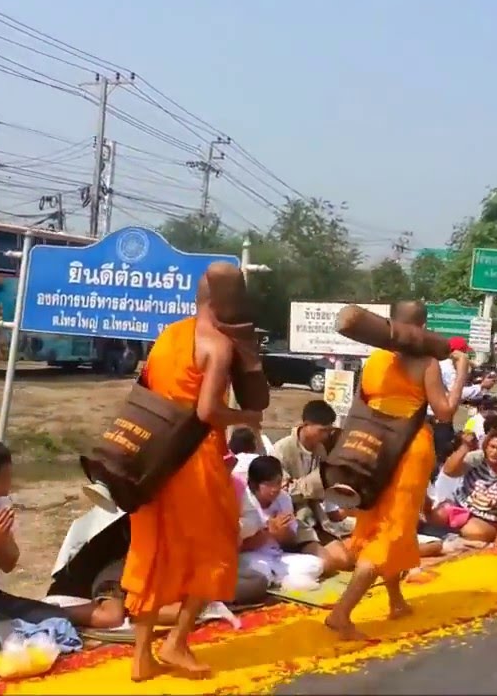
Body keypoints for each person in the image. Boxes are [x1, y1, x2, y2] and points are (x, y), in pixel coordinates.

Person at [121, 266, 264, 681]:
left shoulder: (169, 335)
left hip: (153, 456)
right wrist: (247, 417)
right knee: (216, 550)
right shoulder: (217, 344)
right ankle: (177, 641)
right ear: (227, 304)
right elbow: (207, 412)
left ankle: (142, 656)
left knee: (152, 552)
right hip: (194, 460)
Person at [325, 301, 470, 641]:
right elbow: (445, 412)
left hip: (371, 446)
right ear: (423, 328)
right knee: (392, 527)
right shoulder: (426, 362)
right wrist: (462, 370)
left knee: (379, 520)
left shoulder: (375, 359)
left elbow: (360, 404)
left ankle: (395, 600)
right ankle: (341, 613)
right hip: (408, 449)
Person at [0, 440, 120, 671]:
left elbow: (8, 564)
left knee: (57, 621)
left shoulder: (0, 505)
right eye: (7, 473)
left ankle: (19, 634)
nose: (12, 479)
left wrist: (1, 541)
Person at [269, 399, 353, 572]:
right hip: (294, 521)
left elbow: (327, 486)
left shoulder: (320, 450)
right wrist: (316, 482)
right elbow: (279, 492)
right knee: (328, 564)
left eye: (329, 431)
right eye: (322, 430)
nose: (326, 435)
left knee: (345, 560)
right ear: (306, 425)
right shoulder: (281, 450)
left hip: (316, 518)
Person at [237, 456, 326, 587]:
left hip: (277, 556)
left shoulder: (284, 499)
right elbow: (239, 547)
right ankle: (278, 579)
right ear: (255, 485)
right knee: (263, 572)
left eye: (278, 483)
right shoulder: (245, 501)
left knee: (316, 564)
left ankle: (278, 579)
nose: (275, 489)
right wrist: (268, 534)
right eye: (269, 484)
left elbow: (290, 542)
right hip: (250, 556)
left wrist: (282, 533)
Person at [425, 429, 497, 544]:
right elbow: (449, 471)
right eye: (492, 447)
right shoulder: (478, 458)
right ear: (486, 446)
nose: (494, 452)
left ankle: (452, 535)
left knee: (475, 532)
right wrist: (465, 447)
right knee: (437, 515)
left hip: (486, 520)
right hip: (460, 507)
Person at [429, 337, 494, 477]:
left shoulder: (443, 364)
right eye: (464, 352)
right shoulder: (447, 367)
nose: (465, 356)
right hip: (437, 419)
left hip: (437, 417)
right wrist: (481, 386)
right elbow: (457, 392)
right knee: (442, 455)